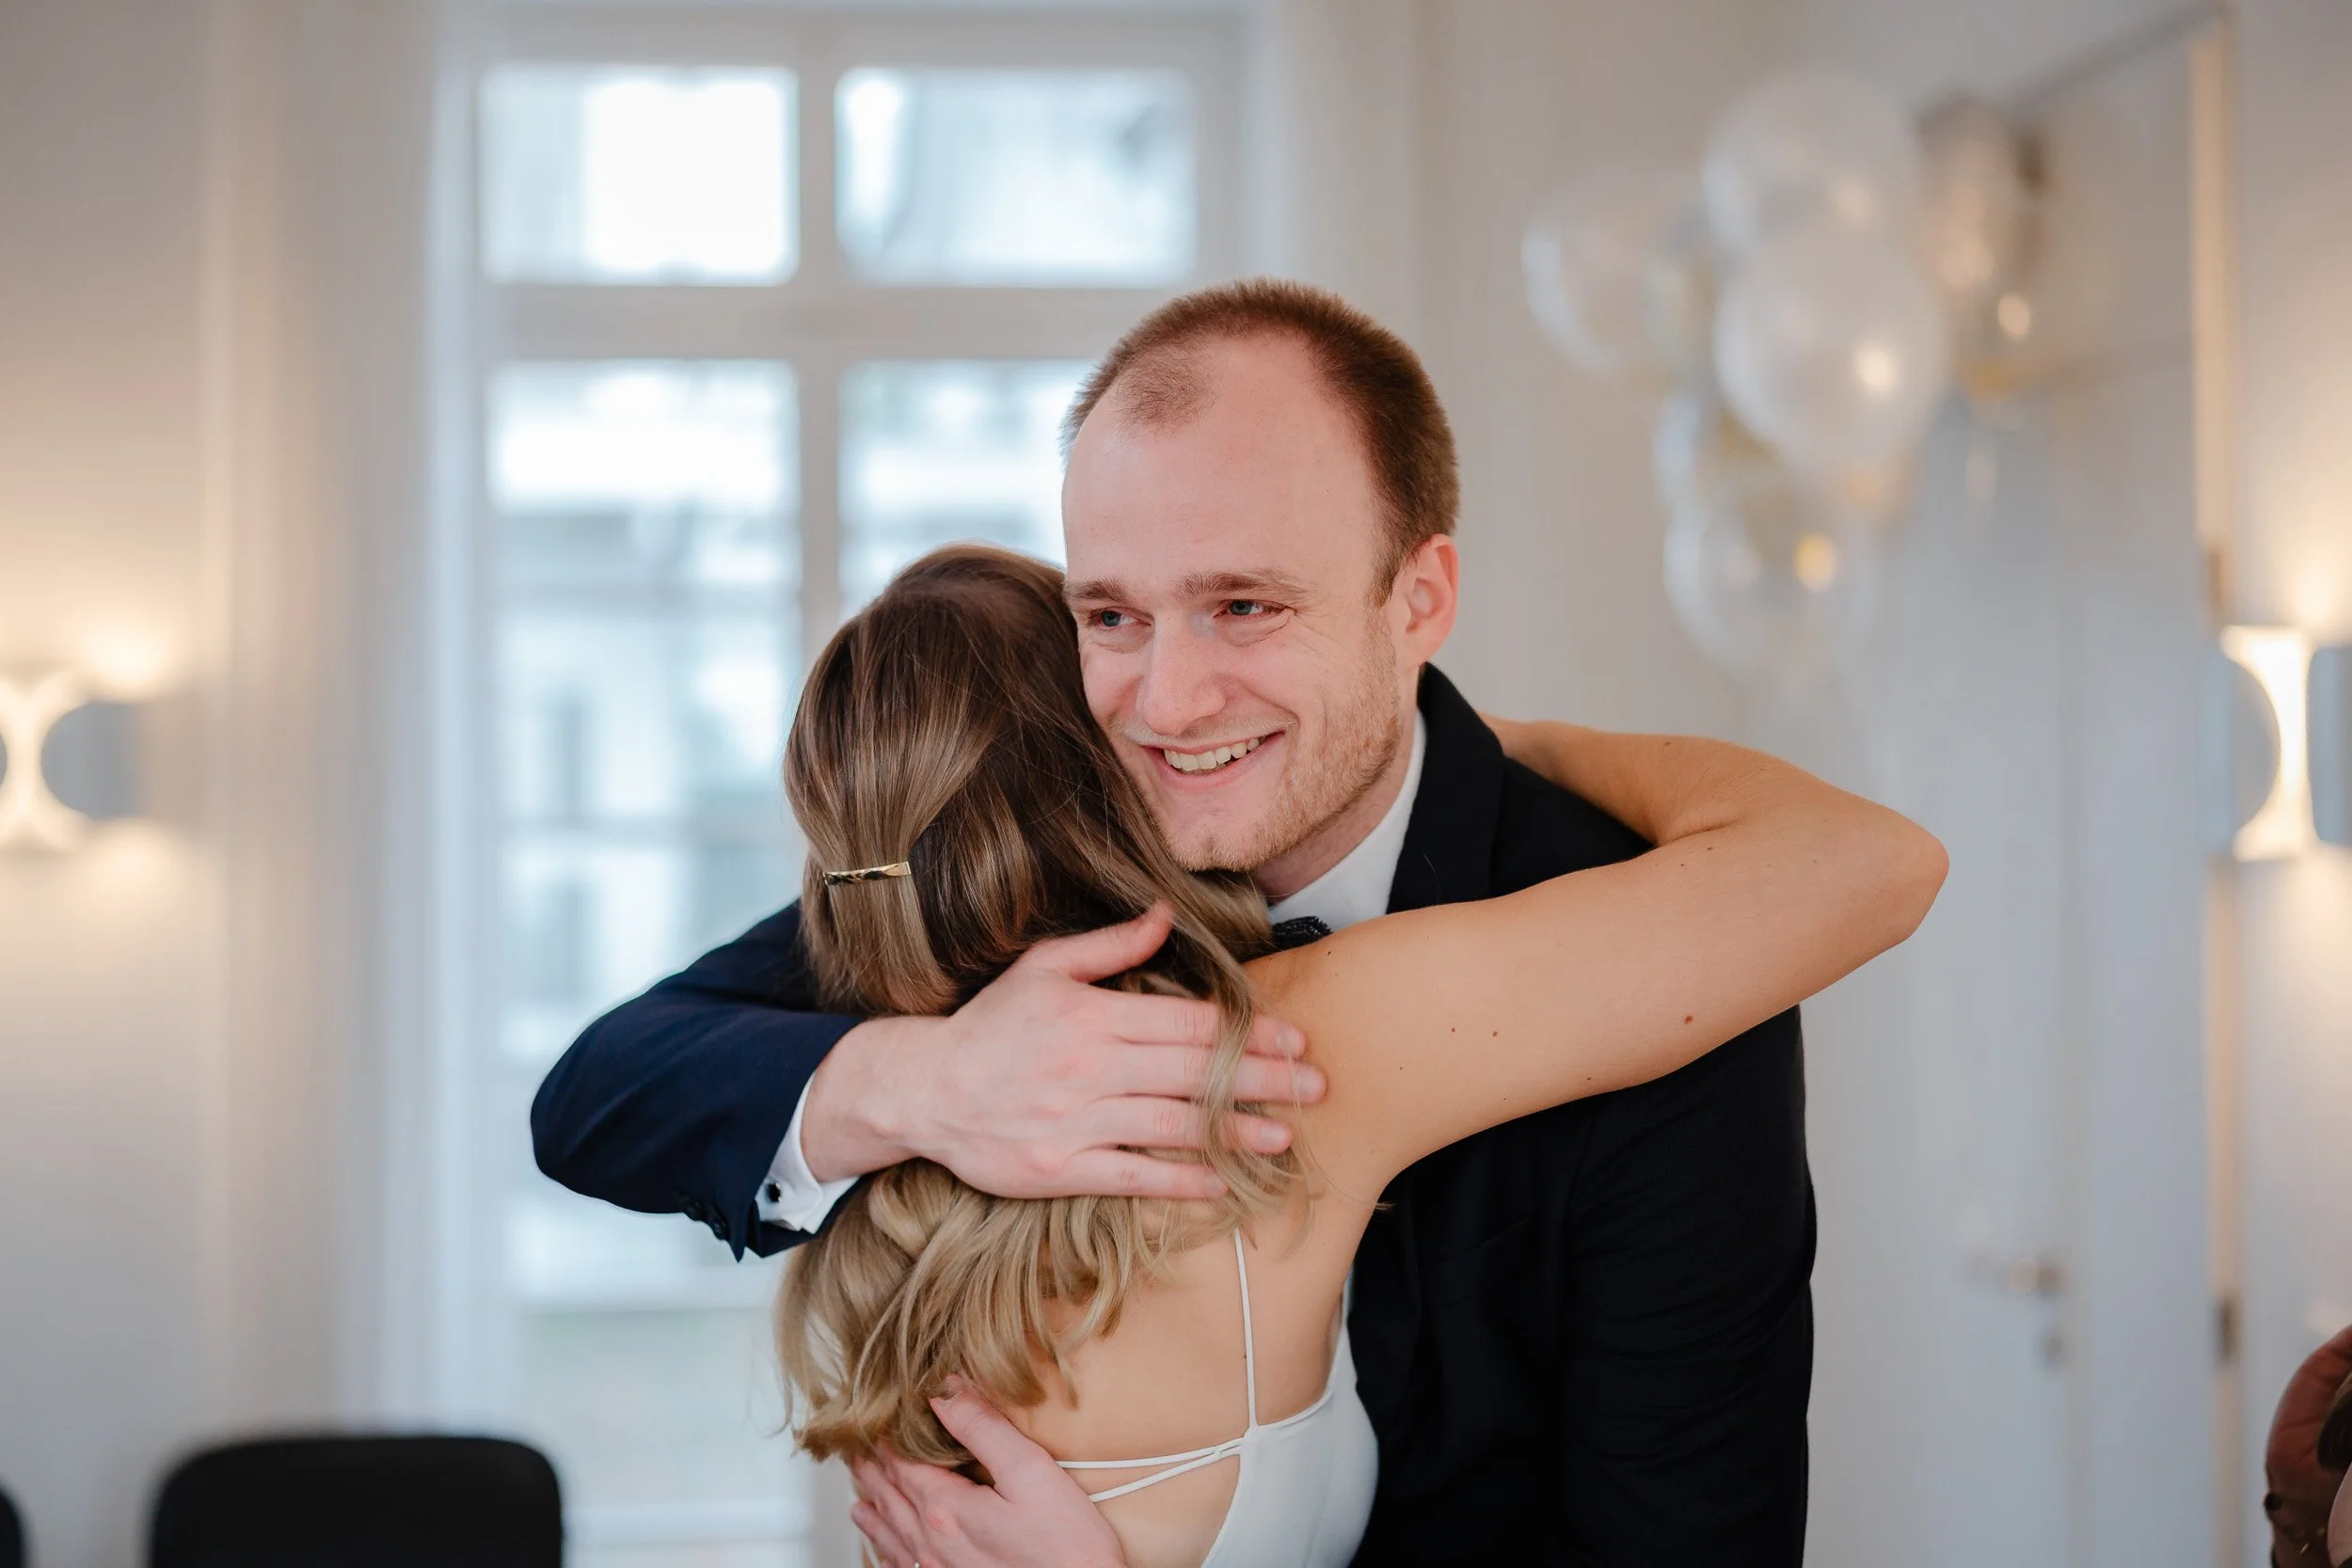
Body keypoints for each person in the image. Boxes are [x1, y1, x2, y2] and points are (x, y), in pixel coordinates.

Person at [531, 278, 1872, 1561]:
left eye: (1244, 605)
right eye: (1111, 614)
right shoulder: (1032, 872)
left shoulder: (1662, 950)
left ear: (1420, 601)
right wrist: (929, 1079)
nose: (1165, 703)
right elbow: (604, 1087)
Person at [768, 543, 1943, 1568]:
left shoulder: (866, 1131)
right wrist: (1526, 741)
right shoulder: (1268, 1047)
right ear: (1096, 775)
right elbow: (1863, 857)